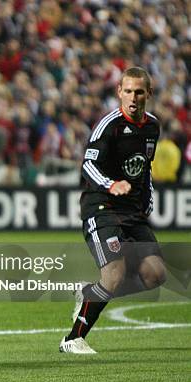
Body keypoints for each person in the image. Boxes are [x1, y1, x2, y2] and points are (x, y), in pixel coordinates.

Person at [60, 67, 166, 354]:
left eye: (139, 92)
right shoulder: (109, 125)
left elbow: (145, 168)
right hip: (102, 206)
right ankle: (72, 339)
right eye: (128, 91)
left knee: (155, 274)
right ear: (119, 92)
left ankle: (88, 293)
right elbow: (88, 164)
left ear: (149, 94)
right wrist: (111, 184)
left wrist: (148, 198)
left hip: (133, 210)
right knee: (114, 273)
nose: (133, 97)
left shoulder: (153, 127)